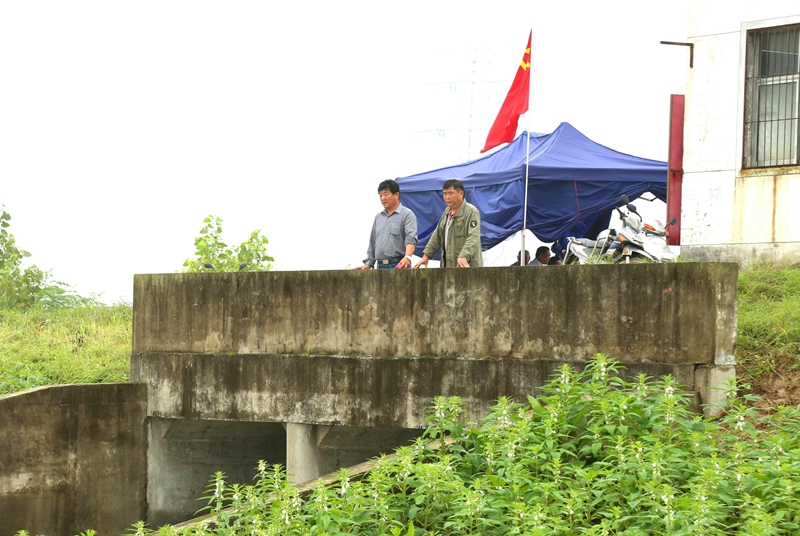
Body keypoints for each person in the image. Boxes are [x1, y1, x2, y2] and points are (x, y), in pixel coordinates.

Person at [413, 179, 483, 268]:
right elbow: (436, 236)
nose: (447, 197)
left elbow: (473, 237)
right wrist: (426, 256)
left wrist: (464, 256)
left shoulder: (471, 211)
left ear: (461, 193)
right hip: (448, 266)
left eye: (450, 193)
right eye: (445, 194)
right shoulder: (447, 212)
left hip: (466, 266)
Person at [354, 179, 418, 270]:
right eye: (380, 195)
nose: (383, 198)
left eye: (386, 194)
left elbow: (411, 238)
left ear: (396, 195)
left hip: (399, 265)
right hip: (380, 266)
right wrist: (369, 263)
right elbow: (372, 242)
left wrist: (407, 257)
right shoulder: (378, 217)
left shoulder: (407, 215)